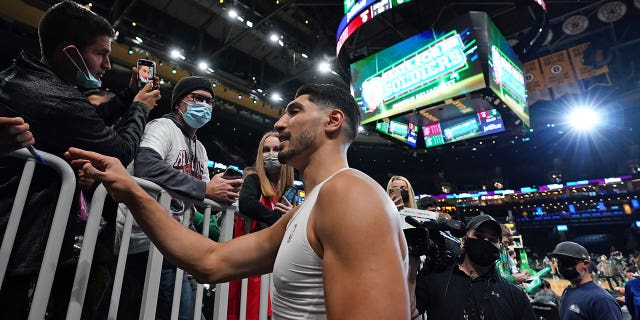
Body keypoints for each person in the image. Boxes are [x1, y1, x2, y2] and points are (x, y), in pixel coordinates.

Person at [65, 83, 410, 318]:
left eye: (293, 111)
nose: (279, 123)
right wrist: (131, 190)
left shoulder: (350, 193)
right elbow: (211, 260)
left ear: (332, 121)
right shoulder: (308, 209)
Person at [0, 1, 160, 318]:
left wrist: (128, 97)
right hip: (16, 241)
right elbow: (119, 151)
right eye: (101, 53)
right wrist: (141, 108)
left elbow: (86, 119)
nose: (108, 65)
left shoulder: (20, 76)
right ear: (70, 51)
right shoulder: (57, 97)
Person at [110, 76, 241, 320]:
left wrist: (224, 191)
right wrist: (206, 189)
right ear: (179, 103)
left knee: (126, 309)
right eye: (197, 98)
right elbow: (147, 165)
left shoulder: (199, 148)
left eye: (209, 101)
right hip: (146, 239)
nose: (205, 104)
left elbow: (203, 194)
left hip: (175, 243)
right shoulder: (161, 127)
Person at [414, 214, 536, 320]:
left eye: (492, 239)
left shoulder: (514, 294)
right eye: (479, 236)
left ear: (500, 246)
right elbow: (408, 312)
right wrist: (412, 257)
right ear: (464, 239)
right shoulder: (435, 279)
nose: (486, 241)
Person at [228, 131, 295, 320]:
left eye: (276, 149)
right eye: (266, 150)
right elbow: (247, 203)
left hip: (275, 267)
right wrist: (280, 220)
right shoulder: (254, 179)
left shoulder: (288, 189)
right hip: (250, 264)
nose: (271, 154)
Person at [549, 241, 623, 320]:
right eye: (559, 261)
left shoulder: (602, 300)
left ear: (586, 263)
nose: (562, 266)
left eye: (568, 261)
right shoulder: (567, 291)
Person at [386, 175, 421, 318]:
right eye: (395, 189)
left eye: (403, 189)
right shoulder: (383, 216)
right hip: (394, 281)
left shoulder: (421, 217)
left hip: (419, 281)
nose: (400, 191)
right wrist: (389, 212)